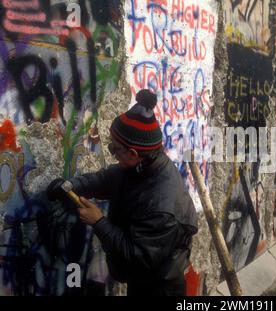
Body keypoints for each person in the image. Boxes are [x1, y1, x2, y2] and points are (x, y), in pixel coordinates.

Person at [47, 90, 198, 296]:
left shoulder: (162, 206)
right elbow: (107, 179)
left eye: (114, 149)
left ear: (133, 153)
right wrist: (70, 186)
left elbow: (137, 256)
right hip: (141, 278)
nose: (112, 153)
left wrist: (99, 222)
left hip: (159, 286)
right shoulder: (141, 167)